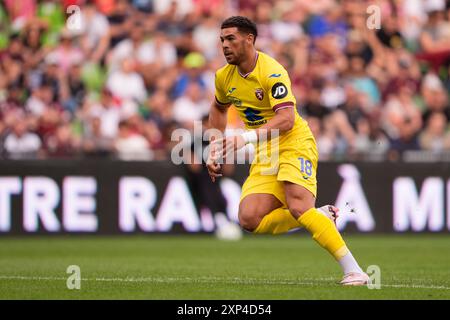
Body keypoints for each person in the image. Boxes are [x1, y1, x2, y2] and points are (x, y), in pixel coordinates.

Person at [207, 16, 369, 285]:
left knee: (297, 205)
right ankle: (319, 216)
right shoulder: (224, 77)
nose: (224, 45)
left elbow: (287, 119)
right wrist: (215, 146)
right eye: (222, 39)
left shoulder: (272, 71)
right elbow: (218, 108)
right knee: (249, 219)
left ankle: (354, 270)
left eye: (231, 39)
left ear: (249, 39)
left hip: (293, 142)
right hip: (265, 150)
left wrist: (245, 139)